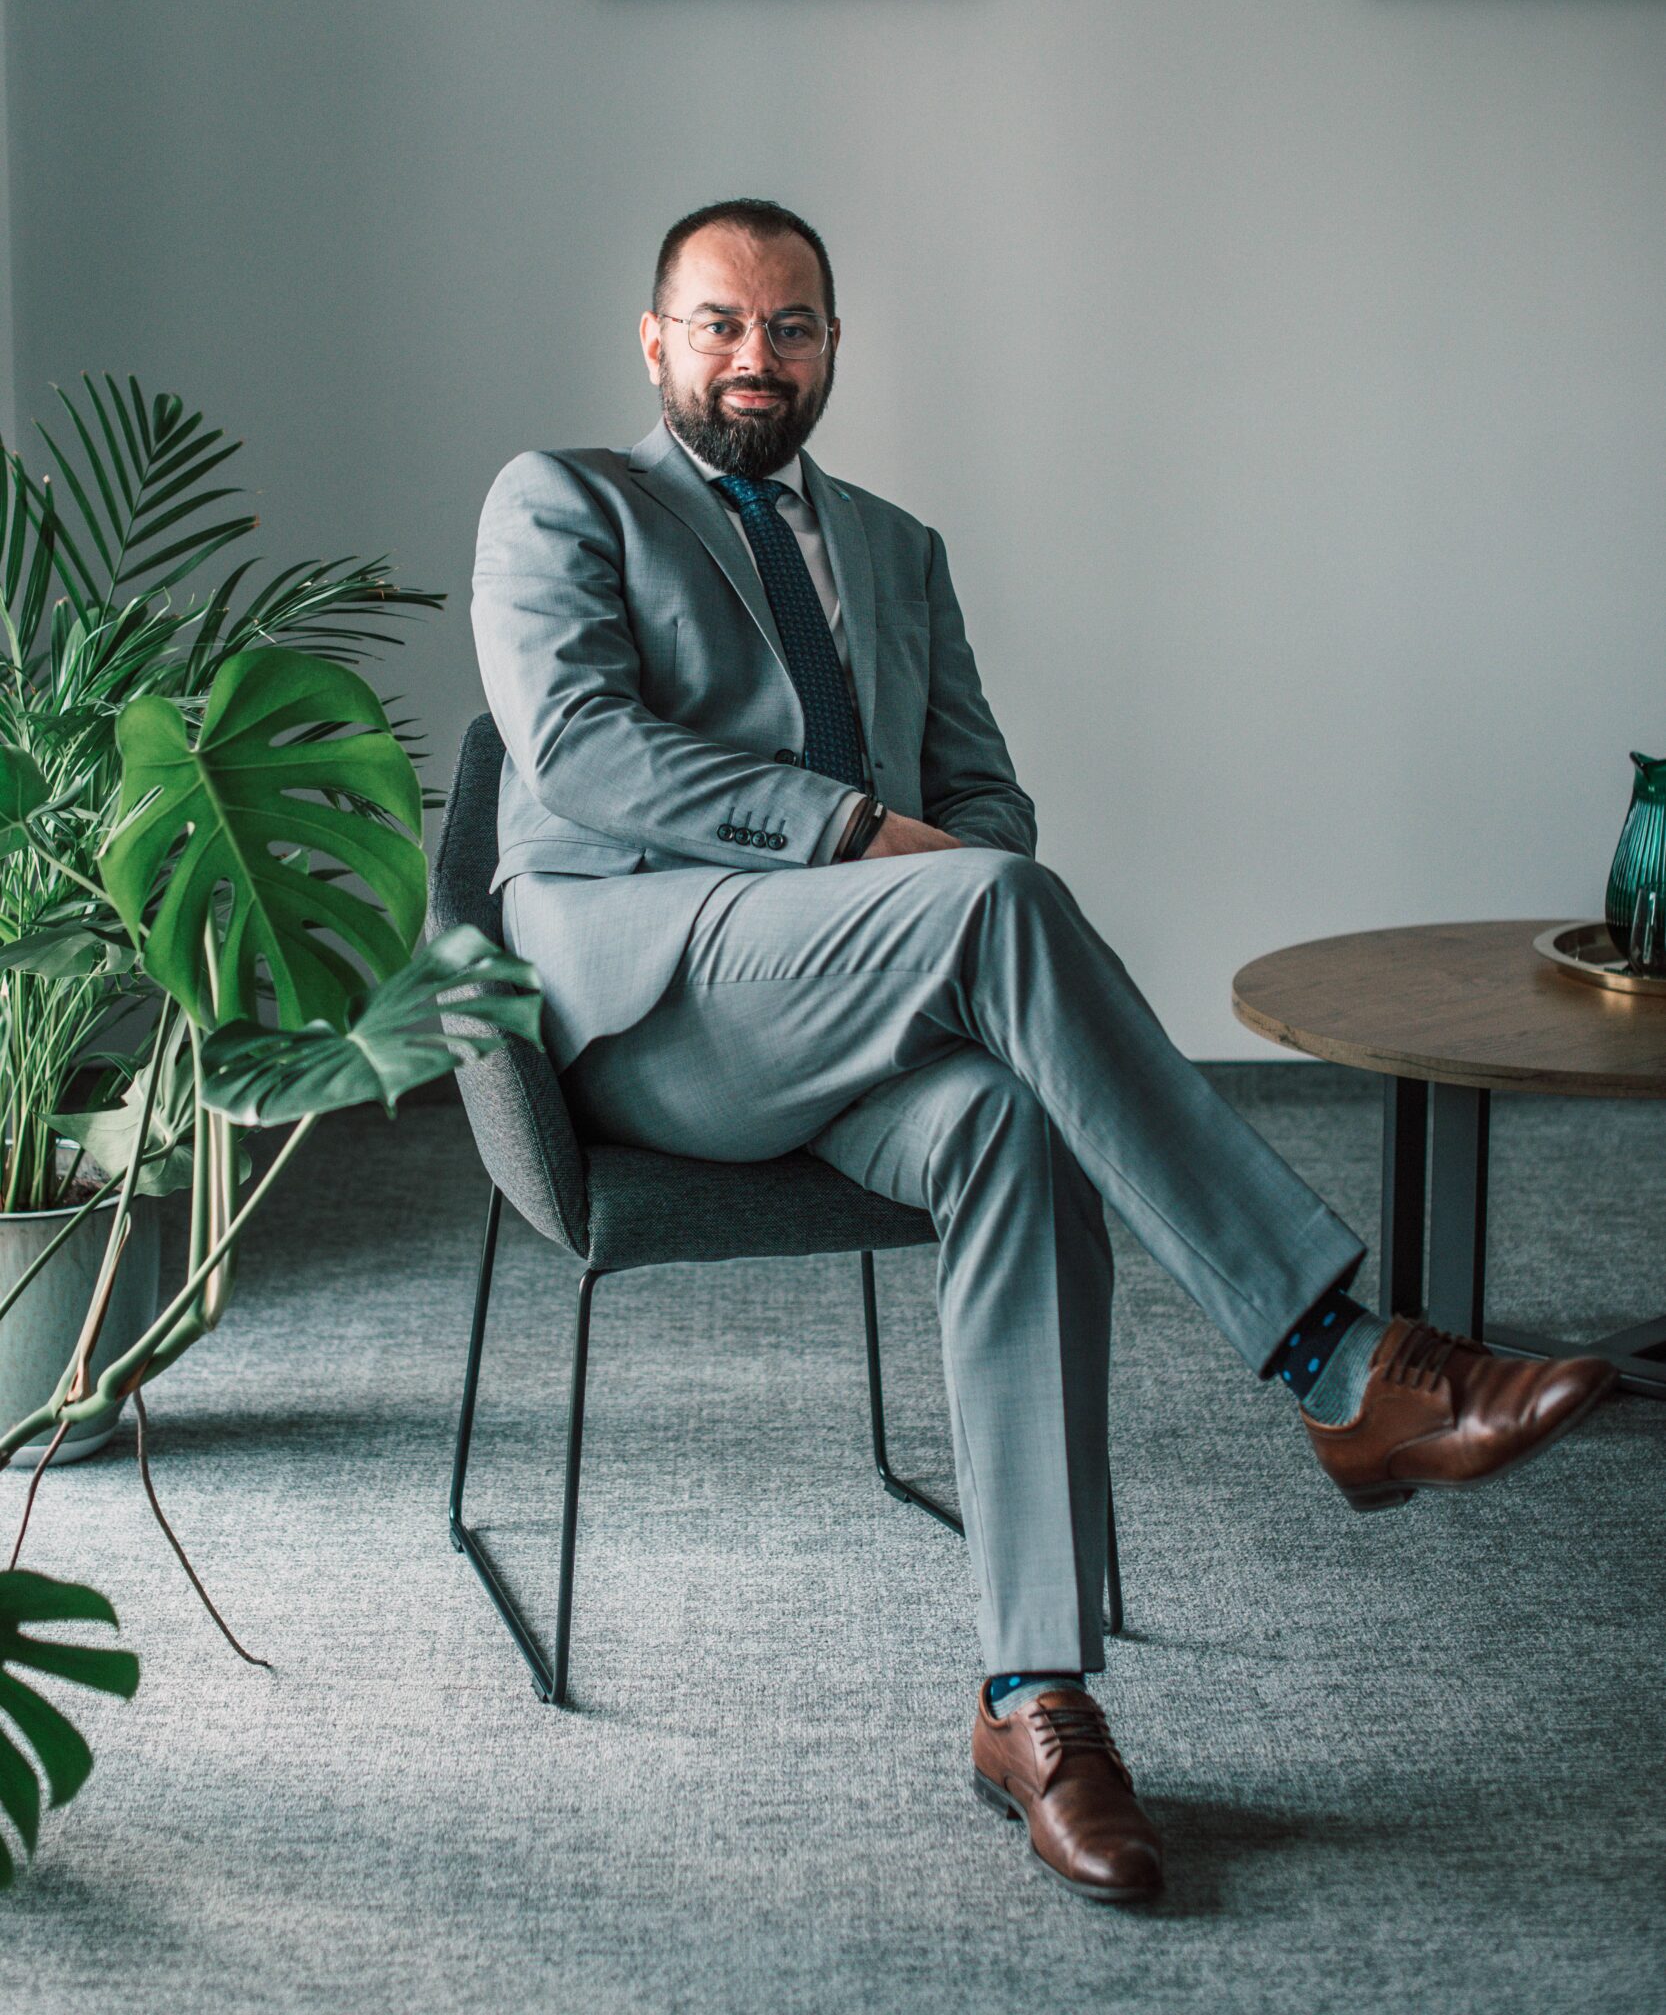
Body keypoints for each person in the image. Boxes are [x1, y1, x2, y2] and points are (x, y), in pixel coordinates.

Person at [472, 198, 1612, 1908]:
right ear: (655, 341)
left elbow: (984, 793)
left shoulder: (896, 548)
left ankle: (1033, 1700)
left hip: (859, 1004)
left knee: (1007, 1117)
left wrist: (928, 871)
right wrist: (864, 843)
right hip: (660, 1015)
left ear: (833, 347)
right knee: (993, 906)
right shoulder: (565, 500)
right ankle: (1335, 1357)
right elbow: (581, 755)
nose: (755, 357)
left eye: (792, 326)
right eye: (719, 324)